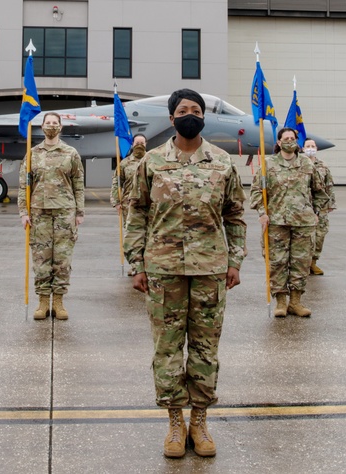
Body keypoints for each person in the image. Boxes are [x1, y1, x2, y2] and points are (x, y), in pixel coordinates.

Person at [125, 89, 247, 459]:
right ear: (172, 118)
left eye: (196, 110)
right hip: (163, 270)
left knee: (205, 349)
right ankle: (175, 421)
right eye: (183, 110)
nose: (190, 114)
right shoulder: (153, 162)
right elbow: (138, 213)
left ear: (203, 118)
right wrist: (136, 263)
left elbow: (235, 216)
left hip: (210, 269)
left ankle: (200, 419)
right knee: (167, 349)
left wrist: (235, 261)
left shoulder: (223, 162)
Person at [249, 128, 330, 318]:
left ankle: (295, 302)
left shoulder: (307, 164)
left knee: (300, 263)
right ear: (278, 142)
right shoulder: (268, 165)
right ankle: (281, 301)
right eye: (286, 138)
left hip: (303, 223)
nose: (289, 141)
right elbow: (255, 191)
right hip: (277, 222)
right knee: (277, 262)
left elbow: (319, 191)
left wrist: (316, 212)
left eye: (293, 138)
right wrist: (262, 213)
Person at [18, 112, 85, 320]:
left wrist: (79, 212)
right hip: (39, 213)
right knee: (41, 259)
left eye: (55, 123)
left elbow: (79, 184)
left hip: (65, 212)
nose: (52, 126)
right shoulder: (32, 154)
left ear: (61, 127)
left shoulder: (70, 153)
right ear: (42, 126)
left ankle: (58, 301)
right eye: (48, 123)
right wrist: (23, 212)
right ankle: (43, 301)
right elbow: (23, 186)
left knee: (62, 259)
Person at [111, 134, 148, 276]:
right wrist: (116, 203)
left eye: (142, 143)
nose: (140, 145)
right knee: (132, 237)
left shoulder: (151, 161)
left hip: (149, 206)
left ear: (146, 143)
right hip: (129, 206)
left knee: (149, 236)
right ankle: (135, 267)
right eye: (137, 142)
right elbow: (116, 183)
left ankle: (148, 266)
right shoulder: (125, 164)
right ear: (132, 144)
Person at [302, 139, 336, 275]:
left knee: (320, 235)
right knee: (303, 236)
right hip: (303, 206)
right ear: (303, 148)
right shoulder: (298, 164)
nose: (310, 148)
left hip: (320, 206)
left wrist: (330, 204)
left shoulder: (322, 165)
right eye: (307, 146)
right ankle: (302, 264)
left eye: (312, 146)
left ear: (316, 148)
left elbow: (329, 185)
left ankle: (313, 262)